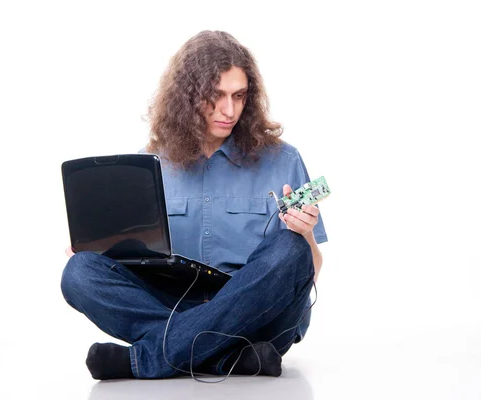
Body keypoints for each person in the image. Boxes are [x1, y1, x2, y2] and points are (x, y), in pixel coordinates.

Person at [61, 30, 328, 380]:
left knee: (290, 248)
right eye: (215, 97)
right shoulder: (148, 165)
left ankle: (145, 360)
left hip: (260, 315)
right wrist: (102, 253)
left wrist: (304, 235)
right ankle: (225, 358)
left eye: (239, 96)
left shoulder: (284, 160)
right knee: (79, 272)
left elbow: (306, 270)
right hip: (176, 306)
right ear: (187, 97)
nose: (229, 110)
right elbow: (132, 264)